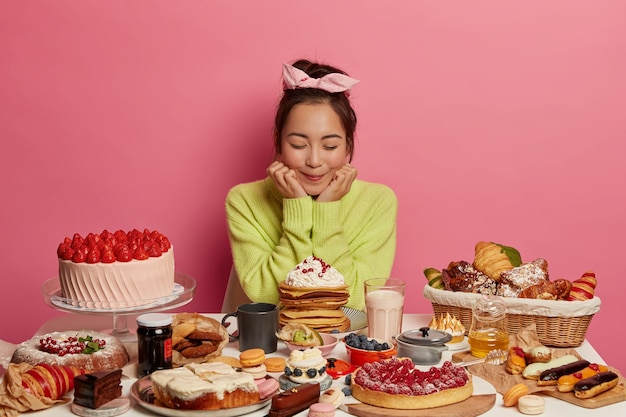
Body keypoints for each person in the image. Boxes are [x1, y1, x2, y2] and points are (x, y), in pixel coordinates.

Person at [223, 59, 397, 313]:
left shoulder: (378, 201)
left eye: (329, 146)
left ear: (348, 145)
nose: (314, 161)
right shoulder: (244, 200)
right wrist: (297, 209)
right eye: (298, 145)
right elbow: (269, 297)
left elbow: (357, 302)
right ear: (279, 142)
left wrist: (327, 210)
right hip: (271, 346)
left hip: (347, 346)